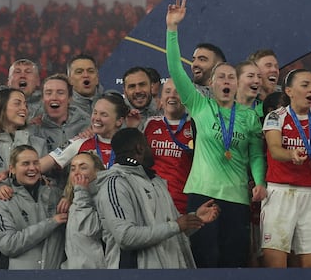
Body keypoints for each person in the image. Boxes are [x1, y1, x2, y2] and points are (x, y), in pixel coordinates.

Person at [165, 0, 266, 268]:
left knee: (234, 263)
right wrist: (172, 29)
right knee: (205, 261)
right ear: (211, 83)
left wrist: (259, 181)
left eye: (231, 77)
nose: (226, 81)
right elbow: (175, 68)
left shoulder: (249, 117)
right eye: (221, 77)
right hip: (202, 192)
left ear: (237, 83)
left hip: (237, 199)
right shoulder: (199, 105)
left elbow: (256, 154)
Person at [95, 127, 220, 269]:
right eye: (148, 145)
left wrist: (195, 218)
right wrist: (176, 226)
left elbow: (172, 228)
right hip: (134, 277)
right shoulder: (115, 184)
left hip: (169, 273)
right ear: (140, 148)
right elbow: (125, 236)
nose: (152, 150)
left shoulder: (156, 181)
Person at [261, 69, 311, 269]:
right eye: (305, 85)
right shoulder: (276, 117)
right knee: (275, 267)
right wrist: (291, 154)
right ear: (289, 91)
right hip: (280, 193)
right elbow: (275, 149)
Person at [0, 145, 66, 270]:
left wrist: (68, 196)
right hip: (20, 278)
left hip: (56, 277)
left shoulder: (56, 196)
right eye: (25, 163)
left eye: (36, 163)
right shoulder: (2, 201)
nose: (32, 168)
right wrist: (51, 223)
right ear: (12, 169)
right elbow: (8, 245)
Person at [0, 88, 52, 204]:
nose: (24, 108)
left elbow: (49, 182)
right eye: (17, 103)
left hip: (36, 211)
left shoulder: (38, 143)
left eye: (25, 105)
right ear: (1, 108)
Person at [143, 79, 196, 213]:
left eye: (178, 92)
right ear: (160, 99)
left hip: (183, 204)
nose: (172, 95)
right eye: (167, 91)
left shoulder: (195, 126)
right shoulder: (150, 125)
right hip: (153, 204)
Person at [63, 152, 110, 269]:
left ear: (97, 171)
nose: (76, 172)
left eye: (83, 168)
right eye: (73, 169)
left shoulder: (104, 197)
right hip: (73, 272)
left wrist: (81, 192)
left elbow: (90, 229)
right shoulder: (75, 199)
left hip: (95, 273)